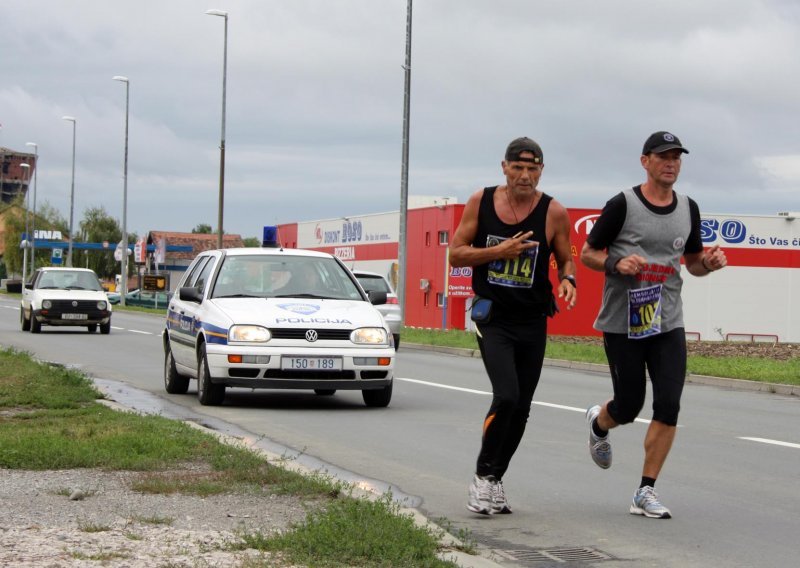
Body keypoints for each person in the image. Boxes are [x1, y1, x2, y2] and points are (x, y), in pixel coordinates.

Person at [580, 131, 727, 519]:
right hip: (622, 322)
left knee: (669, 404)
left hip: (667, 321)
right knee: (628, 406)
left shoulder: (688, 208)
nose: (671, 163)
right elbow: (588, 253)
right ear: (645, 161)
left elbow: (693, 262)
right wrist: (616, 263)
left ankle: (645, 491)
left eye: (677, 157)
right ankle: (600, 421)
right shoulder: (622, 204)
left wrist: (707, 266)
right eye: (663, 156)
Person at [450, 136, 577, 515]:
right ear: (504, 167)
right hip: (494, 318)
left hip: (533, 319)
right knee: (505, 395)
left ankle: (495, 479)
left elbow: (566, 258)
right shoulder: (481, 201)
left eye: (532, 168)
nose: (525, 175)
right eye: (518, 168)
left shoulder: (554, 212)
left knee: (521, 407)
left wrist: (569, 280)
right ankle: (482, 476)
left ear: (541, 171)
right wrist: (498, 252)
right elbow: (456, 252)